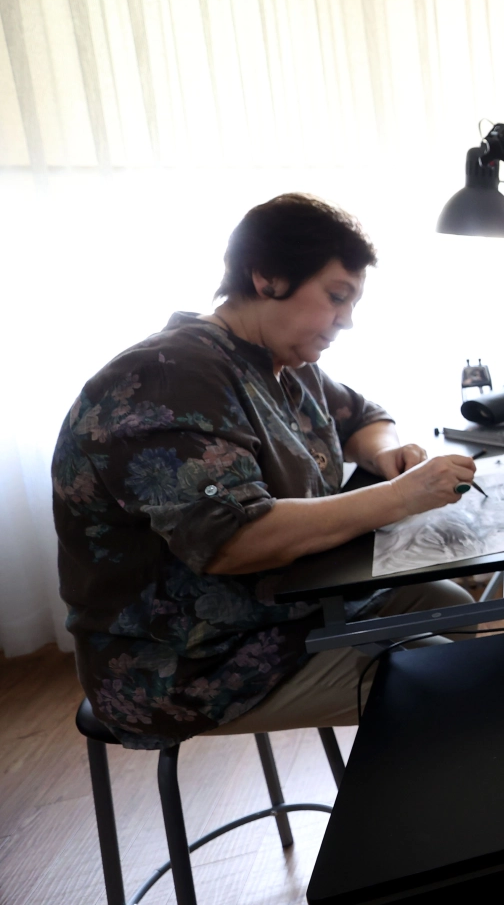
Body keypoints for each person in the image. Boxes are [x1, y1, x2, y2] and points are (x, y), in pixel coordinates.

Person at [53, 193, 479, 749]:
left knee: (450, 605)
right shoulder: (170, 376)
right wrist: (401, 494)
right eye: (336, 297)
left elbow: (365, 417)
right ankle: (416, 785)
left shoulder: (282, 360)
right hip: (181, 663)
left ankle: (418, 770)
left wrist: (384, 454)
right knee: (445, 679)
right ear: (268, 278)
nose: (347, 320)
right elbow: (234, 542)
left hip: (281, 609)